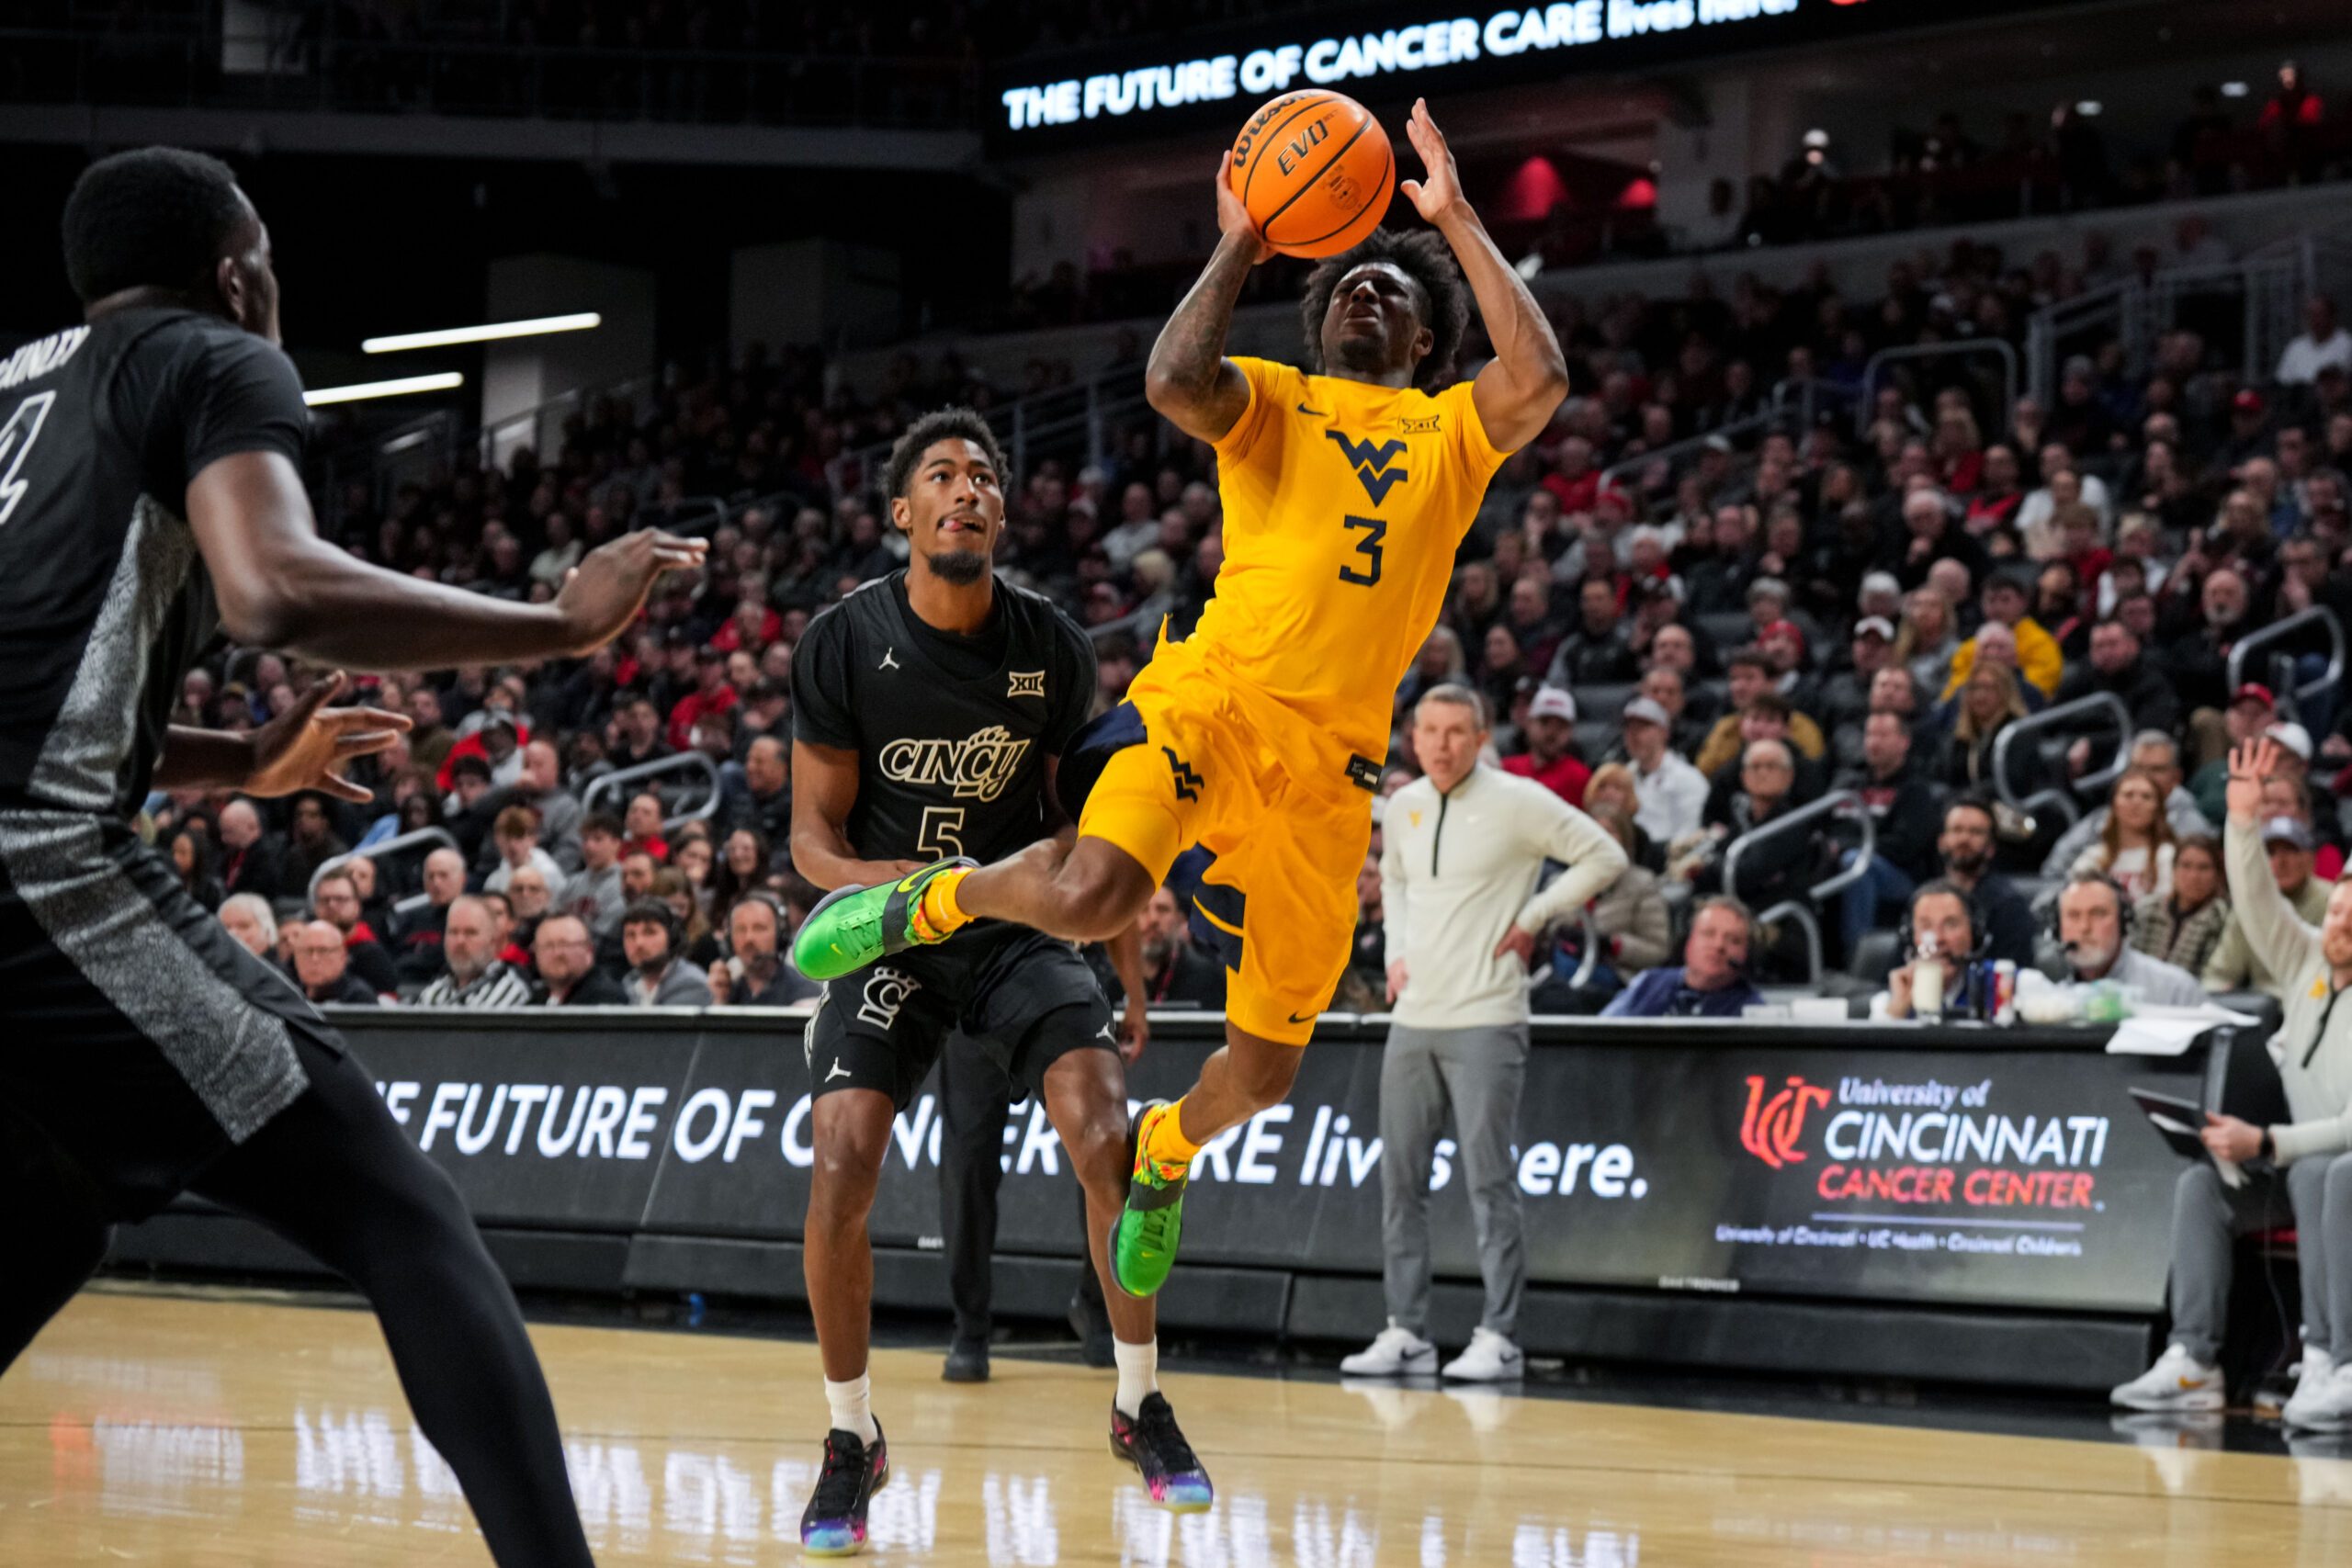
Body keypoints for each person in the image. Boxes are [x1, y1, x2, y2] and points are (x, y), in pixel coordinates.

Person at [0, 145, 698, 1568]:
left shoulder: (16, 387)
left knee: (48, 1216)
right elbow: (272, 592)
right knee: (404, 1212)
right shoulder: (211, 354)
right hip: (38, 873)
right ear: (239, 267)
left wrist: (243, 766)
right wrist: (559, 624)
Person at [793, 100, 1570, 1325]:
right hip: (1210, 701)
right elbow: (1170, 377)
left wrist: (1454, 216)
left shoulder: (1452, 433)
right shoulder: (1274, 400)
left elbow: (1540, 376)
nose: (1364, 291)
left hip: (1331, 775)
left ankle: (1167, 1148)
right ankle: (923, 897)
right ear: (1318, 328)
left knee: (1264, 1069)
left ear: (1429, 339)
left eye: (1389, 288)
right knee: (1098, 892)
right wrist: (1245, 241)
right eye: (1348, 282)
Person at [784, 409, 1187, 1549]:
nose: (967, 490)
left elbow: (1086, 837)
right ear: (902, 512)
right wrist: (907, 887)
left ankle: (1137, 1398)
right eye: (942, 476)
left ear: (1001, 517)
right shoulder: (843, 641)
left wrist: (1129, 979)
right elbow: (811, 845)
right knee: (844, 1160)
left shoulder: (1051, 645)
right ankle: (852, 1438)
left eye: (985, 479)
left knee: (1103, 1131)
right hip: (898, 934)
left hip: (1022, 936)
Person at [1346, 685, 1624, 1382]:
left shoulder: (1519, 800)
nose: (1441, 744)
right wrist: (1395, 955)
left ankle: (1500, 1334)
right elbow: (1400, 883)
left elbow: (1604, 855)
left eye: (1456, 731)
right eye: (1429, 731)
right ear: (1412, 738)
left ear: (1482, 735)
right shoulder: (1404, 806)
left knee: (1488, 1181)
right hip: (1413, 1018)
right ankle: (1406, 1329)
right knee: (1400, 1182)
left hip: (1488, 1018)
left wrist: (1535, 917)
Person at [2112, 735, 2352, 1429]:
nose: (2339, 922)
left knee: (2323, 1174)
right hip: (2292, 1157)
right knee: (2202, 1187)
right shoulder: (2308, 961)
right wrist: (2241, 823)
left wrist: (2270, 1140)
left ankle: (2334, 1355)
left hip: (2327, 1167)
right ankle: (2194, 1359)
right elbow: (2256, 905)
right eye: (2337, 908)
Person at [2204, 817, 2335, 998]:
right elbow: (2219, 973)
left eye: (2290, 851)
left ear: (2310, 859)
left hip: (2312, 999)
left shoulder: (2334, 903)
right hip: (2261, 1007)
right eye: (2270, 852)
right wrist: (2218, 992)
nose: (2280, 862)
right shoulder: (2250, 901)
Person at [2043, 871, 2206, 1004]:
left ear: (2123, 922)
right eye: (2073, 915)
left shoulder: (2176, 990)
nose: (2085, 927)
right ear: (2058, 928)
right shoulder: (2045, 993)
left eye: (2098, 914)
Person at [1601, 897, 1766, 1017]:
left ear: (1746, 955)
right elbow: (1602, 1035)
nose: (1718, 946)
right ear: (1688, 941)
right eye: (1708, 934)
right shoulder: (1648, 983)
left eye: (1734, 941)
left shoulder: (1753, 1011)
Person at [1935, 796, 2040, 965]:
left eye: (1975, 832)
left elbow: (2011, 973)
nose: (1964, 839)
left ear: (1991, 848)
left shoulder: (2009, 906)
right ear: (1941, 842)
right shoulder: (1924, 901)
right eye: (1956, 830)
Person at [1872, 883, 1984, 1019]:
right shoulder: (1887, 1001)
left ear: (1974, 932)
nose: (1938, 938)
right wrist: (1898, 1009)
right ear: (1910, 937)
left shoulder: (2000, 986)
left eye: (1951, 924)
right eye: (1926, 926)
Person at [2070, 769, 2177, 902]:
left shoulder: (2169, 856)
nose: (2136, 802)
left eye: (2146, 796)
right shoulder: (2093, 858)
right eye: (2128, 795)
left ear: (2157, 807)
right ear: (2114, 804)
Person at [2134, 833, 2232, 978]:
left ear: (2217, 874)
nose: (2194, 876)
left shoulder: (2223, 917)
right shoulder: (2147, 910)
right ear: (2174, 869)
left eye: (2203, 868)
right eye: (2186, 866)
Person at [415, 896, 536, 1010]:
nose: (460, 941)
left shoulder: (510, 987)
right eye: (453, 932)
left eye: (471, 933)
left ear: (492, 941)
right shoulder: (435, 991)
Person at [1621, 695, 1708, 848]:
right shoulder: (1622, 776)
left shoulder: (1687, 778)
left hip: (1671, 858)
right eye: (1629, 727)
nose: (1634, 734)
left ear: (1664, 732)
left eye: (1643, 727)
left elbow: (1691, 832)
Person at [705, 891, 817, 1006]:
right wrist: (718, 1002)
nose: (749, 938)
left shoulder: (805, 995)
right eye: (741, 929)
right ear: (729, 939)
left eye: (759, 928)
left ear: (780, 935)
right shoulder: (728, 988)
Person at [311, 865, 400, 993]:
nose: (331, 905)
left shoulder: (372, 955)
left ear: (357, 906)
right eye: (324, 900)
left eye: (340, 899)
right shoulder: (304, 950)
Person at [1500, 685, 1590, 806]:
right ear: (1529, 723)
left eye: (1560, 726)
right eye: (1545, 722)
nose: (1551, 732)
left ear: (1570, 731)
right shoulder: (1507, 770)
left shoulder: (1580, 778)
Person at [618, 898, 713, 1007]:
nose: (639, 943)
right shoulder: (628, 984)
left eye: (649, 932)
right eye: (630, 935)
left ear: (672, 937)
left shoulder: (692, 984)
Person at [531, 914, 625, 1007]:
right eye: (548, 946)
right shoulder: (534, 1000)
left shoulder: (606, 997)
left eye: (565, 944)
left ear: (589, 951)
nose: (557, 953)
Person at [289, 919, 381, 1006]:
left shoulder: (359, 998)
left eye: (323, 950)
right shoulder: (290, 995)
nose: (314, 958)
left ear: (342, 957)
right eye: (307, 951)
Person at [217, 891, 277, 959]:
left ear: (267, 931)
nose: (232, 933)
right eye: (226, 927)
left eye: (243, 926)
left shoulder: (275, 969)